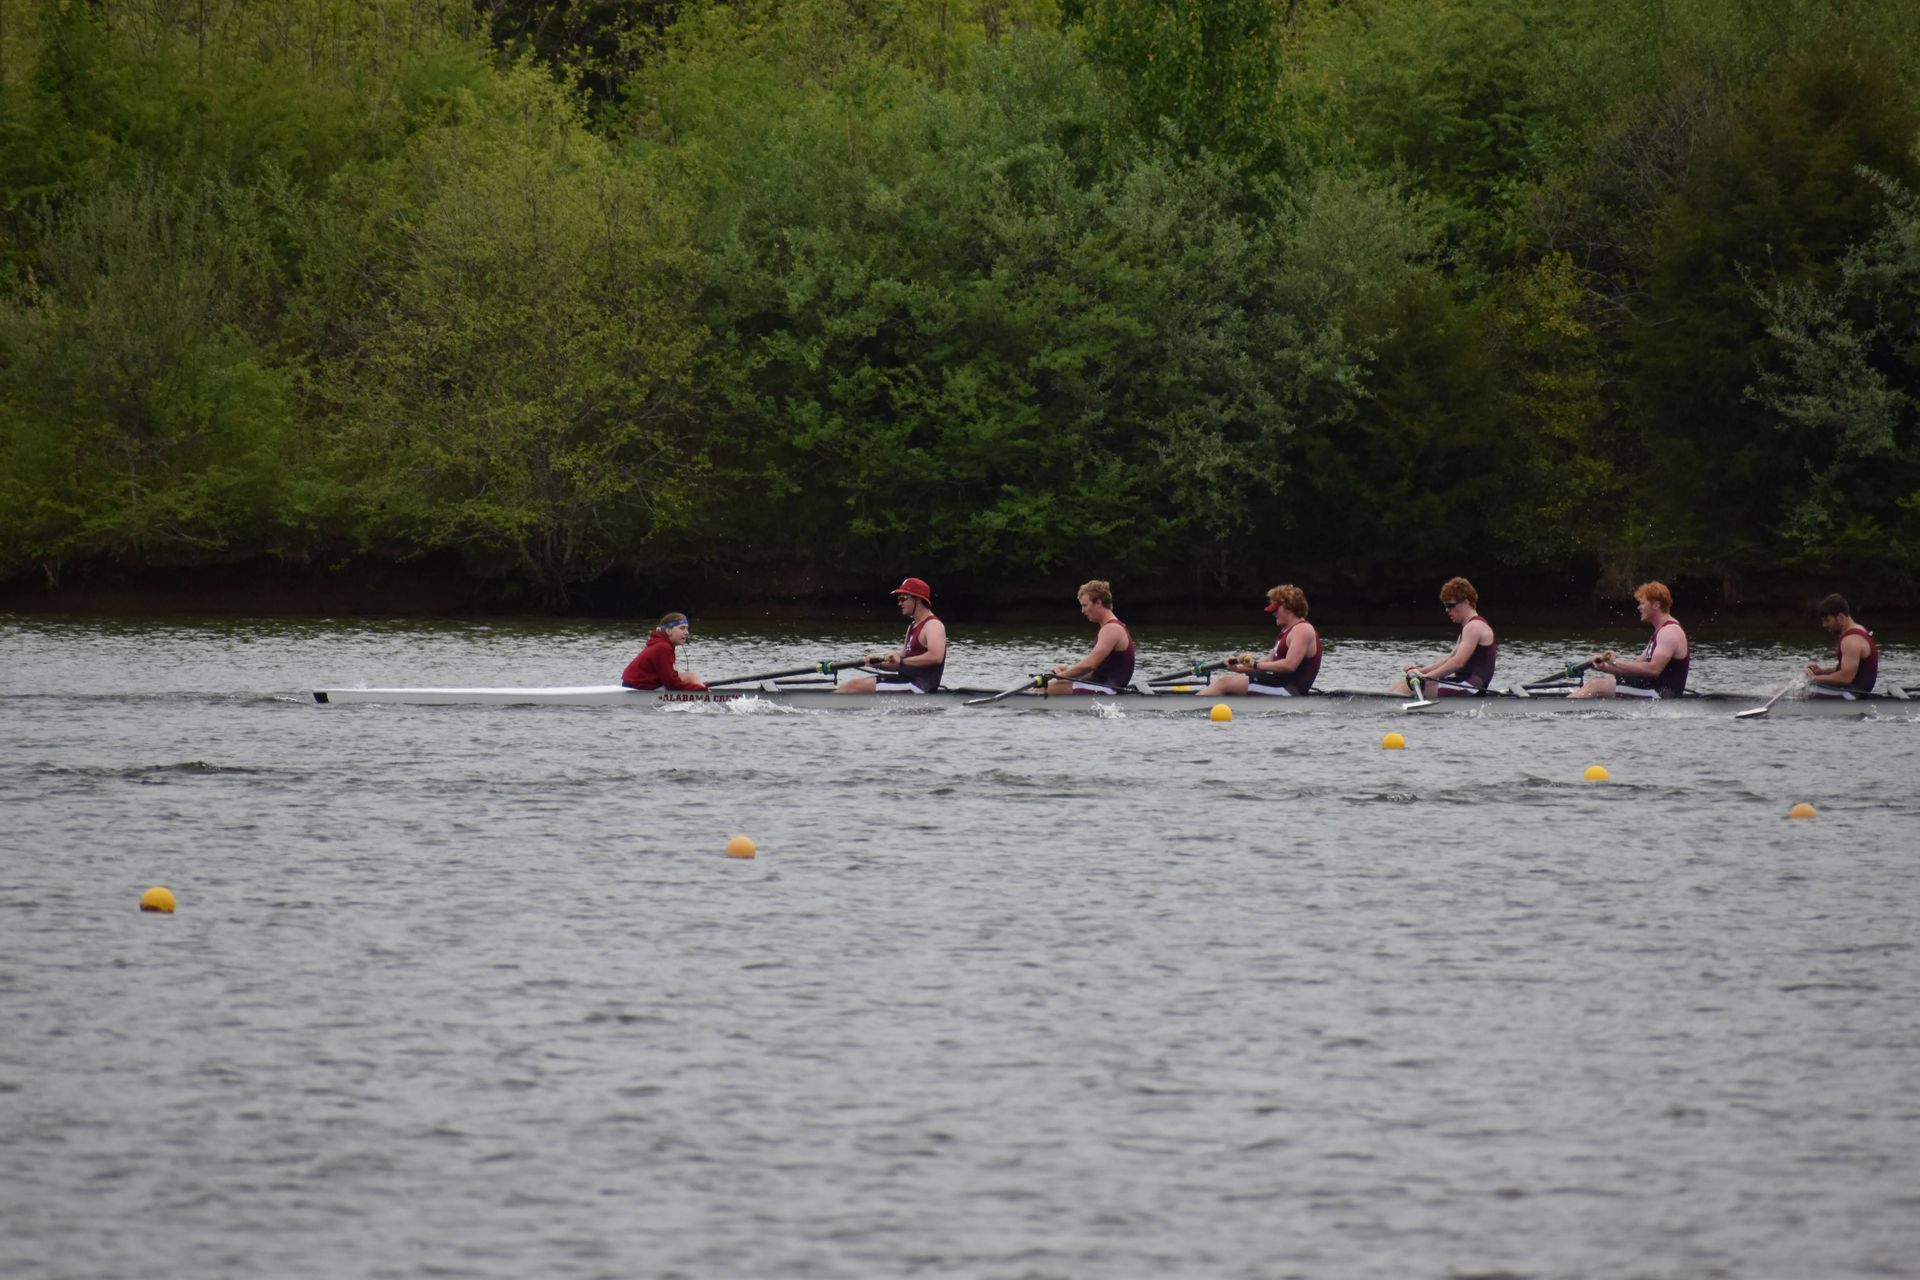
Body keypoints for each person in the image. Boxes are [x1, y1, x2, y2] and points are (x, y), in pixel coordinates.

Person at [1569, 580, 1690, 699]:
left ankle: (1561, 711)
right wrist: (1605, 666)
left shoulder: (1669, 632)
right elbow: (1637, 666)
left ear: (1656, 605)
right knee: (1596, 681)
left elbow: (1653, 670)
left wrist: (1615, 663)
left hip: (1663, 694)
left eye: (1642, 603)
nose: (1639, 607)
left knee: (1597, 685)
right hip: (1652, 688)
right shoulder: (1660, 631)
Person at [1197, 584, 1321, 697]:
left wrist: (1254, 664)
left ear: (1288, 608)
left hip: (1290, 690)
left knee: (1223, 682)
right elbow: (1267, 662)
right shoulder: (1286, 632)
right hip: (1279, 685)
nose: (1273, 614)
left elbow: (1289, 665)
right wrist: (1237, 668)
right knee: (1226, 680)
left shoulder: (1302, 630)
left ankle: (1189, 709)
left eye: (1276, 609)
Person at [835, 577, 948, 694]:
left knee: (854, 686)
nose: (899, 603)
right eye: (899, 599)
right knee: (852, 685)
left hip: (920, 686)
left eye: (903, 598)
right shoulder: (912, 626)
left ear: (918, 599)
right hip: (906, 681)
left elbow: (936, 657)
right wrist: (878, 665)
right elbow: (900, 664)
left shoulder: (933, 625)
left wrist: (902, 661)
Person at [1389, 577, 1496, 696]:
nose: (1447, 610)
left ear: (1466, 602)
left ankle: (1384, 711)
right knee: (1398, 684)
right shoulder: (1468, 627)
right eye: (1445, 605)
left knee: (1406, 688)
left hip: (1471, 688)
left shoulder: (1474, 627)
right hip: (1462, 683)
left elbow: (1457, 663)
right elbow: (1450, 659)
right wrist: (1421, 672)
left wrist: (1425, 678)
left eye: (1450, 605)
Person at [1044, 579, 1134, 694]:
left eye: (1085, 605)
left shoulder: (1111, 629)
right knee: (1053, 685)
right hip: (1105, 684)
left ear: (1098, 603)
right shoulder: (1111, 627)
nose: (1082, 610)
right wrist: (1066, 673)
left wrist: (1059, 676)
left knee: (1040, 690)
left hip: (1107, 689)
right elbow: (1094, 672)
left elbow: (1089, 665)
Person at [1804, 593, 1879, 698]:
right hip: (1853, 691)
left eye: (1827, 620)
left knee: (1803, 691)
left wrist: (1812, 678)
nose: (1824, 625)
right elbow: (1847, 669)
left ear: (1840, 617)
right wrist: (1821, 672)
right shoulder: (1858, 629)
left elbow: (1845, 678)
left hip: (1852, 695)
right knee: (1802, 688)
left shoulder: (1851, 640)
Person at [621, 613, 706, 690]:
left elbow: (670, 679)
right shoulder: (663, 647)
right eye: (682, 628)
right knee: (691, 678)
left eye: (687, 628)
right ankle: (706, 697)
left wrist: (694, 686)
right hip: (638, 687)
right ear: (668, 631)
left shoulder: (662, 644)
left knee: (690, 676)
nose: (686, 633)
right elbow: (672, 684)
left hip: (638, 684)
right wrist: (699, 689)